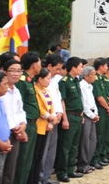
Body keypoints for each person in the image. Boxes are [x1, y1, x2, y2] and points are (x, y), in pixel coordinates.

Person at [56, 57, 85, 182]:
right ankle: (62, 172)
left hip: (78, 116)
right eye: (80, 66)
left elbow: (78, 100)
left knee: (74, 146)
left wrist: (81, 115)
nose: (82, 69)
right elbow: (62, 100)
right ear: (73, 68)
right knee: (65, 146)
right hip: (69, 115)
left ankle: (70, 169)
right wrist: (65, 119)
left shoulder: (76, 80)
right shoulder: (64, 81)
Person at [14, 52, 41, 184]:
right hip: (25, 124)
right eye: (39, 63)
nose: (41, 66)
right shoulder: (22, 81)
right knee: (22, 159)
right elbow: (18, 105)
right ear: (33, 65)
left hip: (33, 123)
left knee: (28, 159)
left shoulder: (30, 81)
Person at [0, 59, 28, 184]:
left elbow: (20, 111)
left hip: (16, 133)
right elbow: (2, 114)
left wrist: (23, 125)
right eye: (12, 70)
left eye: (19, 71)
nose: (16, 74)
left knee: (10, 169)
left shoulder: (16, 91)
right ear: (4, 71)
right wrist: (14, 128)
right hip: (2, 133)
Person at [39, 55, 65, 184]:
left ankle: (47, 177)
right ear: (49, 66)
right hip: (46, 120)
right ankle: (40, 177)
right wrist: (51, 118)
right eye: (57, 68)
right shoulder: (42, 79)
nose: (59, 71)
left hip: (55, 118)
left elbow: (58, 98)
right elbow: (43, 103)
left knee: (51, 150)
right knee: (43, 151)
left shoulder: (55, 80)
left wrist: (60, 113)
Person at [28, 68, 56, 184]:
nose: (49, 81)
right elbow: (39, 108)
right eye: (48, 78)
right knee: (35, 154)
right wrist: (49, 117)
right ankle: (32, 179)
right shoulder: (34, 90)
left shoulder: (46, 91)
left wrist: (51, 120)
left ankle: (38, 178)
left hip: (47, 124)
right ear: (40, 79)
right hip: (39, 124)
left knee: (40, 154)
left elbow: (51, 107)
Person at [91, 58, 109, 169]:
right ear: (100, 66)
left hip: (104, 108)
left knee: (104, 134)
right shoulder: (95, 79)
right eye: (105, 66)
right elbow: (99, 97)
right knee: (98, 135)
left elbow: (105, 96)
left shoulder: (100, 79)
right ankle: (95, 158)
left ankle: (101, 156)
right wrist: (108, 107)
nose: (107, 68)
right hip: (99, 109)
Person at [78, 66, 99, 175]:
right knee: (85, 141)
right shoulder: (81, 86)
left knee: (92, 140)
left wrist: (96, 114)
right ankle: (83, 164)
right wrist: (91, 115)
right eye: (93, 75)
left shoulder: (90, 86)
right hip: (86, 115)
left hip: (92, 114)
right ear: (86, 76)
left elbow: (92, 102)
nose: (95, 77)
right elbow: (84, 104)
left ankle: (88, 162)